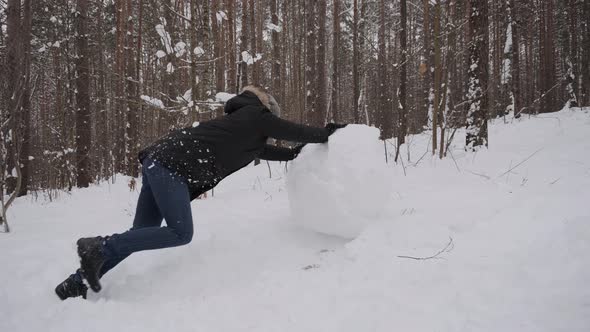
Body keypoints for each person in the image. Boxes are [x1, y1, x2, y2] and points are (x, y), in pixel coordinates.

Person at [55, 85, 346, 300]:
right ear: (267, 109)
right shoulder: (254, 115)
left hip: (160, 160)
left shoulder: (247, 137)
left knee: (142, 231)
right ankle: (98, 247)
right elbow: (292, 130)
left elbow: (282, 151)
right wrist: (329, 133)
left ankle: (76, 282)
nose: (270, 128)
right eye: (272, 120)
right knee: (181, 232)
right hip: (171, 165)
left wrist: (301, 152)